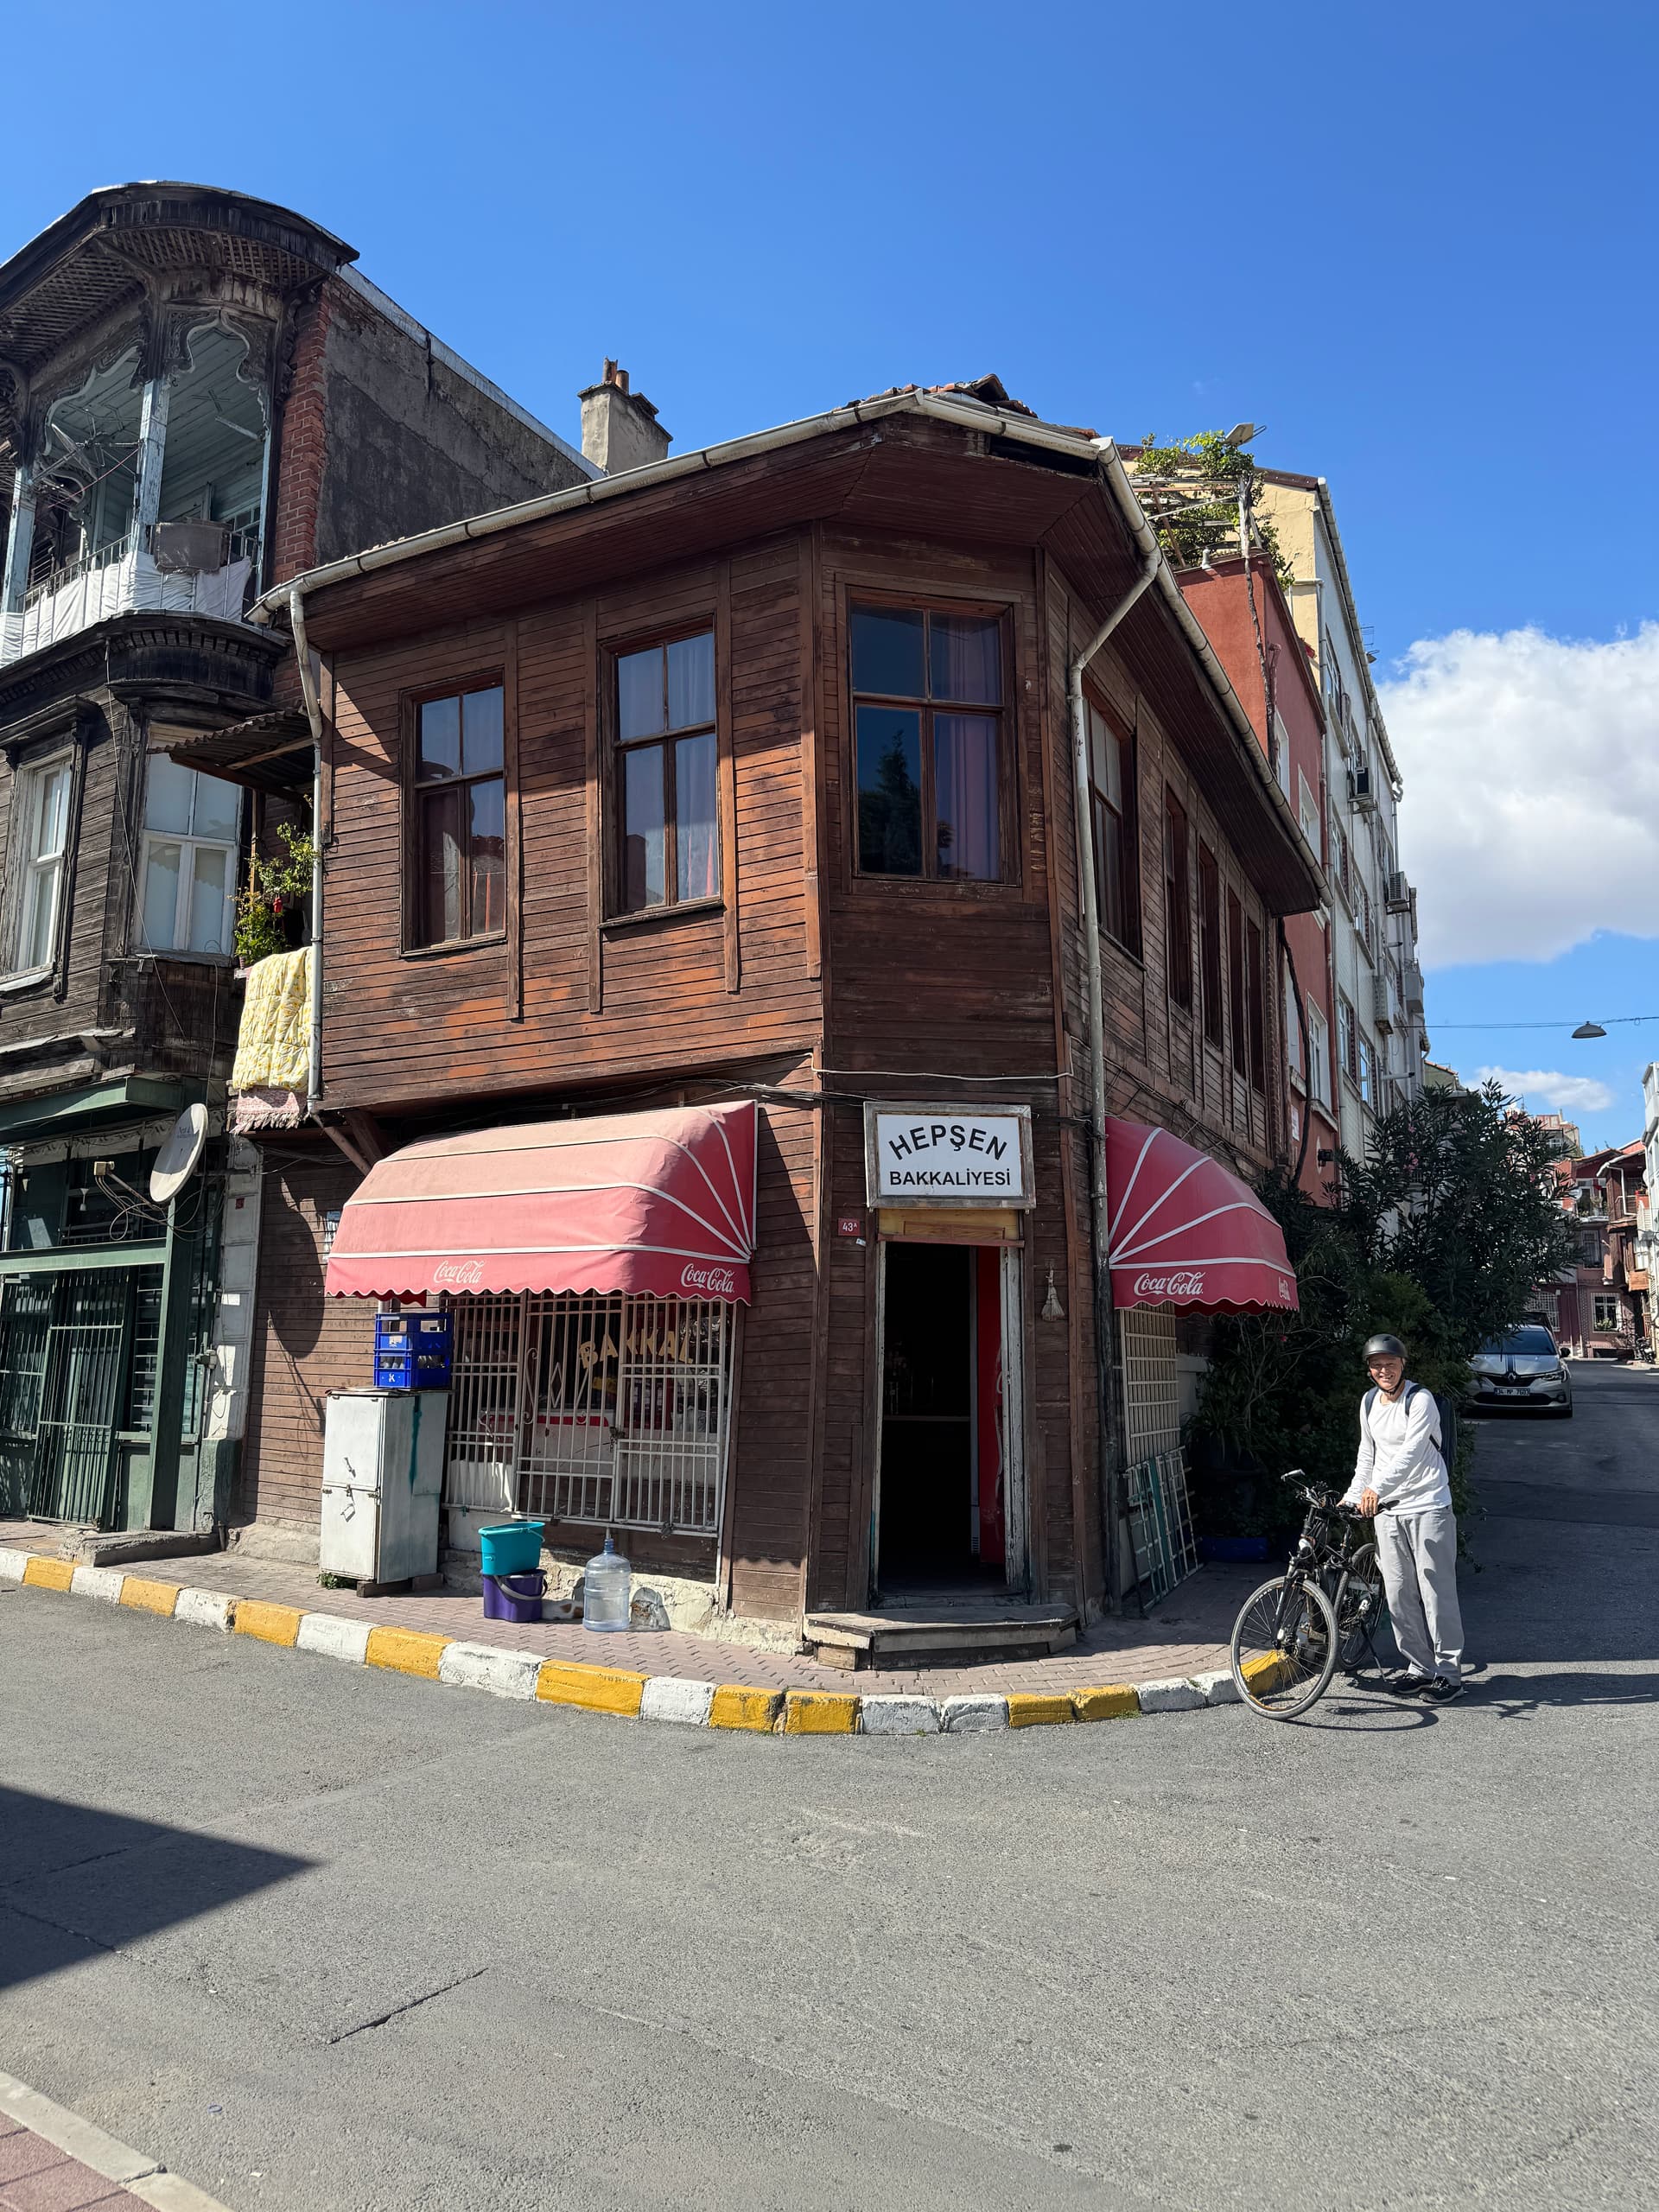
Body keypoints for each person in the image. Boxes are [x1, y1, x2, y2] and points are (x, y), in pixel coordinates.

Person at [1340, 1332, 1465, 1704]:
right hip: (1388, 1512)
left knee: (1436, 1592)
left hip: (1428, 1505)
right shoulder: (1368, 1403)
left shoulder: (1420, 1399)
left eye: (1390, 1364)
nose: (1384, 1370)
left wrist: (1376, 1490)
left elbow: (1410, 1454)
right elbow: (1368, 1455)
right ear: (1369, 1371)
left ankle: (1449, 1673)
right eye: (1377, 1365)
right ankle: (1419, 1667)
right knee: (1397, 1593)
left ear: (1402, 1364)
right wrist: (1353, 1495)